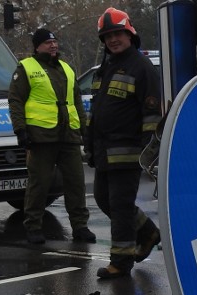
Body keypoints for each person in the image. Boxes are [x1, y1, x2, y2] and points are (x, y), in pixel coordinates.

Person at [84, 7, 162, 279]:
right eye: (107, 36)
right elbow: (98, 112)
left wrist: (148, 151)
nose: (113, 40)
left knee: (119, 207)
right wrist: (90, 144)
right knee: (105, 200)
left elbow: (152, 113)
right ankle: (149, 232)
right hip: (104, 151)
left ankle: (120, 262)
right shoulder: (106, 67)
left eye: (117, 33)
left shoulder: (142, 68)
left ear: (130, 33)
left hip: (128, 152)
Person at [8, 28, 96, 245]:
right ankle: (34, 227)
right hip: (41, 137)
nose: (53, 45)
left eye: (55, 41)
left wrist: (84, 130)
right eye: (48, 42)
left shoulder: (67, 69)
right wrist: (21, 130)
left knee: (76, 183)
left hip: (68, 136)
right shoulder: (26, 68)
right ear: (37, 46)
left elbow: (76, 102)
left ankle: (80, 226)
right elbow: (15, 101)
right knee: (39, 184)